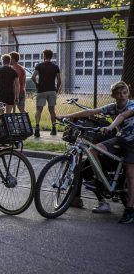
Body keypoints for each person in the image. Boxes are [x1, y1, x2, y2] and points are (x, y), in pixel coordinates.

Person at [57, 81, 134, 219]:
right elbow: (91, 111)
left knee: (130, 171)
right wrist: (66, 116)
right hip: (120, 139)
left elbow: (121, 116)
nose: (122, 96)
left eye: (124, 92)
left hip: (132, 142)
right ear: (113, 96)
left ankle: (130, 208)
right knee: (94, 150)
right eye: (118, 93)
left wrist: (110, 127)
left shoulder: (132, 105)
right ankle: (101, 181)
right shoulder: (113, 106)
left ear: (128, 93)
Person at [31, 49, 61, 137]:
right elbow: (59, 80)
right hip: (52, 90)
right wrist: (56, 89)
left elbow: (33, 77)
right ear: (51, 56)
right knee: (52, 110)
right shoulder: (55, 67)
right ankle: (54, 128)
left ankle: (37, 128)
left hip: (41, 90)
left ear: (44, 56)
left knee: (39, 110)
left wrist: (37, 84)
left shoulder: (39, 66)